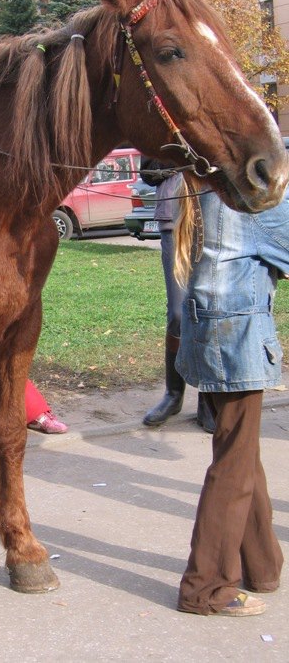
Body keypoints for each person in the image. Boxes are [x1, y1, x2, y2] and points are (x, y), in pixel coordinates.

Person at [173, 184, 288, 617]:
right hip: (237, 337)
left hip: (209, 332)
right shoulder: (250, 196)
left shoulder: (204, 184)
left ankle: (263, 565)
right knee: (233, 465)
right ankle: (205, 589)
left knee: (239, 450)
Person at [140, 158, 214, 433]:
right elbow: (147, 171)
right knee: (178, 314)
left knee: (208, 310)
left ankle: (207, 400)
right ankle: (173, 395)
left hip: (210, 218)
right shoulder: (161, 122)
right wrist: (176, 161)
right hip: (172, 218)